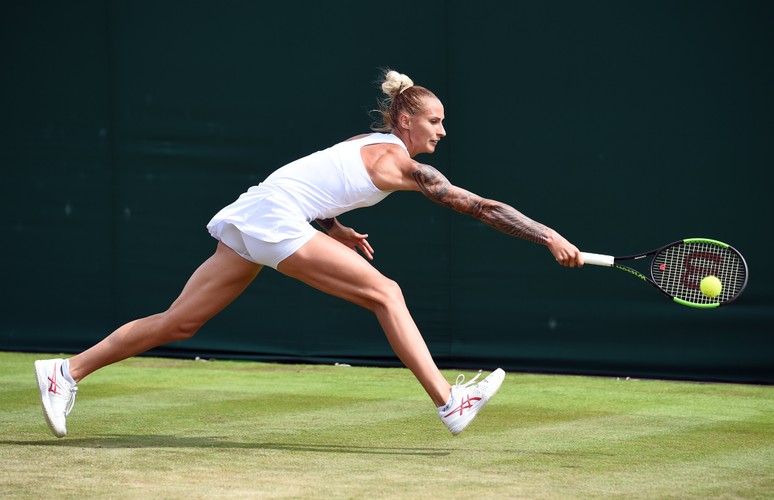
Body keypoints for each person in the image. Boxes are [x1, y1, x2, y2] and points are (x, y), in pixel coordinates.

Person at [34, 69, 583, 439]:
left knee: (179, 323)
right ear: (405, 121)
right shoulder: (404, 166)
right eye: (434, 121)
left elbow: (316, 181)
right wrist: (549, 236)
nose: (443, 130)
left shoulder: (365, 144)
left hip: (260, 209)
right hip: (274, 216)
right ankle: (448, 402)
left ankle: (66, 371)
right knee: (386, 293)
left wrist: (335, 228)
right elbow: (482, 207)